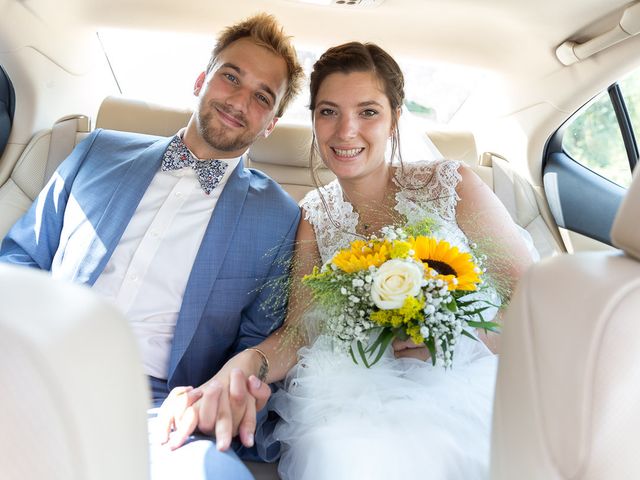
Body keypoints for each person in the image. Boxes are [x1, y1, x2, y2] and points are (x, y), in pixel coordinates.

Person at [161, 42, 536, 478]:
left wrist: (451, 334)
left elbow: (534, 300)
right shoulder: (314, 216)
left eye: (368, 112)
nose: (345, 131)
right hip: (353, 393)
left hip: (470, 376)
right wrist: (247, 365)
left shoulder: (452, 186)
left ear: (396, 118)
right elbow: (298, 330)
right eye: (328, 111)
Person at [0, 13, 304, 480]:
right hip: (34, 369)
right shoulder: (97, 151)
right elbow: (20, 259)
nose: (240, 101)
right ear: (202, 79)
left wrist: (217, 401)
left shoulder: (281, 218)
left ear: (270, 123)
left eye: (262, 97)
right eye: (231, 76)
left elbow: (254, 348)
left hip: (162, 414)